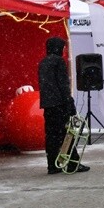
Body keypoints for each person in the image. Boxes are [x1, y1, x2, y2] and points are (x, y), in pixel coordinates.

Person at [38, 36, 88, 175]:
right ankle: (72, 163)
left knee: (51, 136)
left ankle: (52, 165)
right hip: (60, 104)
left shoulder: (43, 62)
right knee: (68, 134)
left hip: (48, 105)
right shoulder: (58, 62)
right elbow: (63, 85)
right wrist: (69, 103)